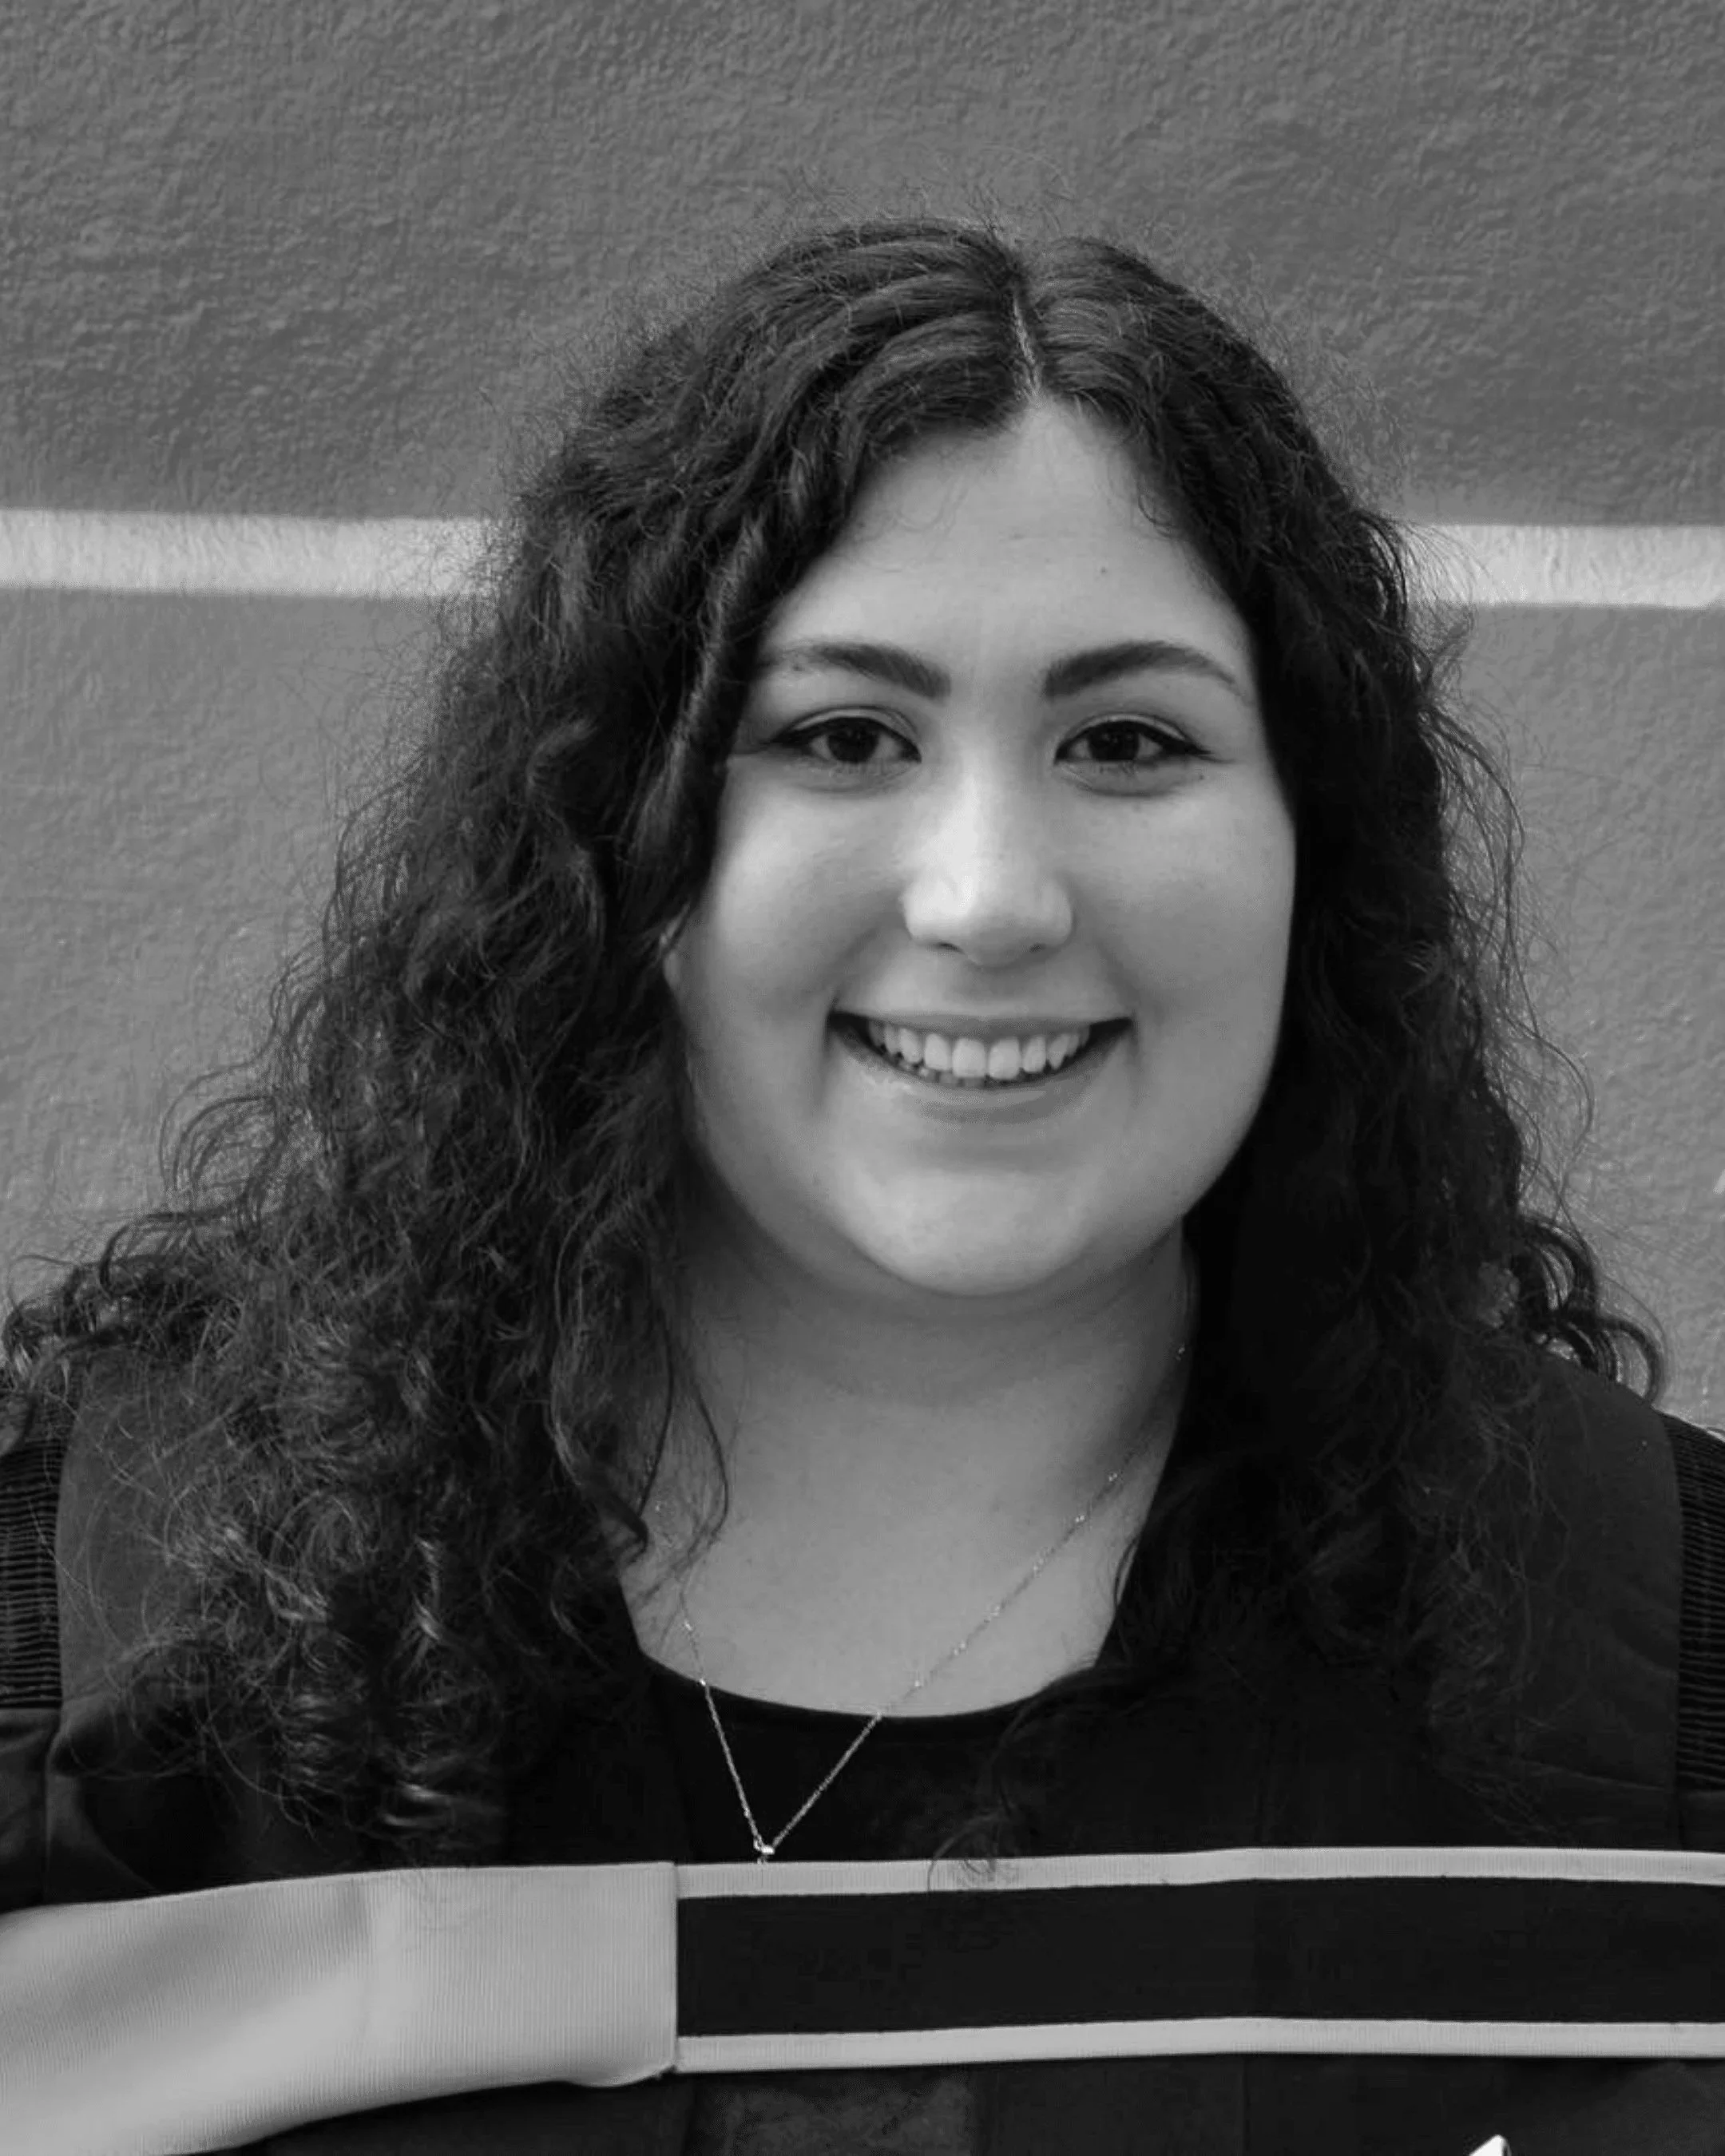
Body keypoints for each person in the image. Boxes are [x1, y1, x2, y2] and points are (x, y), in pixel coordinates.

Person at [1, 214, 1721, 2156]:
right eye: (842, 736)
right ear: (613, 849)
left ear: (1316, 855)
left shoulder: (1655, 1693)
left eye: (1131, 740)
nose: (991, 895)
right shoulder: (93, 1639)